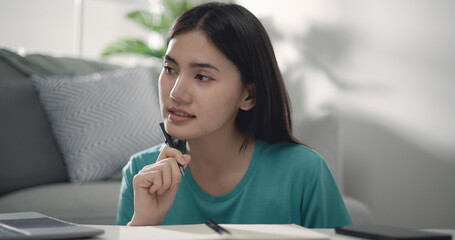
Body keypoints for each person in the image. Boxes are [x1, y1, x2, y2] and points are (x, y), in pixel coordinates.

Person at [116, 2, 352, 228]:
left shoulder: (305, 172)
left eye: (202, 76)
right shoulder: (142, 172)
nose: (176, 93)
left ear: (249, 95)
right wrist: (143, 225)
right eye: (170, 69)